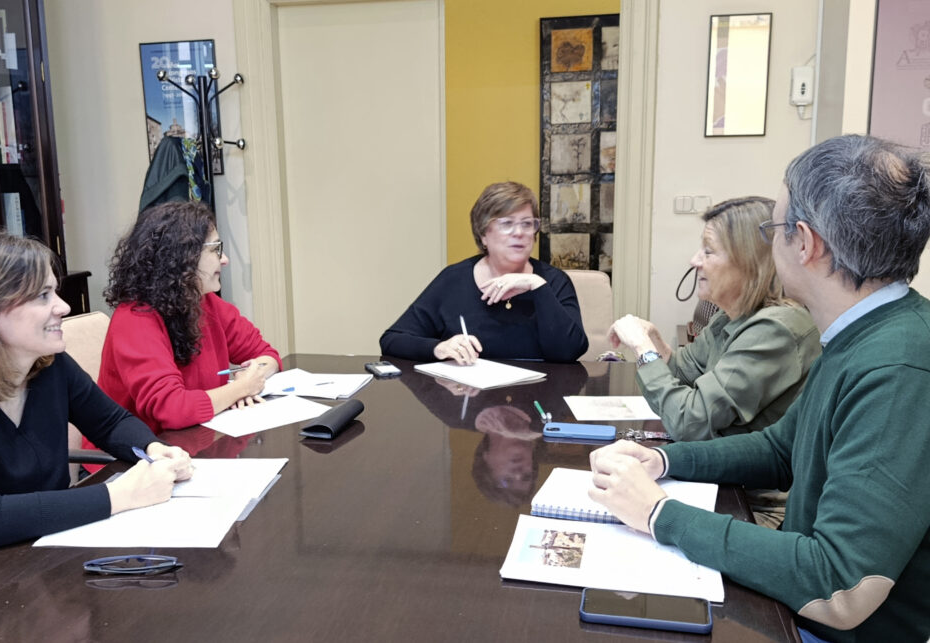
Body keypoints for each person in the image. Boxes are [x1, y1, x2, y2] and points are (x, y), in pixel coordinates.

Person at [587, 135, 930, 642]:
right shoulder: (861, 334)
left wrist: (659, 514)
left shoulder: (897, 367)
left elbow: (839, 586)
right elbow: (780, 448)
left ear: (805, 243)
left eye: (774, 229)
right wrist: (663, 460)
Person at [0, 230, 192, 585]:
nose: (63, 306)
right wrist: (119, 495)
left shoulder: (47, 363)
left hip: (35, 557)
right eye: (43, 296)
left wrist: (154, 449)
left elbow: (111, 422)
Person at [607, 197, 821, 527]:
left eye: (708, 251)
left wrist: (642, 349)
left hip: (753, 505)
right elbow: (683, 373)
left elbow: (687, 420)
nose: (695, 261)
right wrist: (657, 344)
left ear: (749, 262)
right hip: (718, 482)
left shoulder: (776, 329)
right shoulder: (735, 316)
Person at [92, 201, 281, 439]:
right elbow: (171, 409)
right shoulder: (134, 319)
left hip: (192, 441)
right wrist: (240, 388)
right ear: (182, 256)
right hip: (135, 453)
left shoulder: (205, 302)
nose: (225, 259)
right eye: (215, 249)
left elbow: (266, 354)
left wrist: (253, 374)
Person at [379, 181, 588, 363]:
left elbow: (569, 352)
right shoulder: (454, 279)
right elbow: (392, 340)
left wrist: (537, 286)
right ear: (483, 234)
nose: (519, 232)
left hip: (539, 394)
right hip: (470, 394)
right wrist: (438, 348)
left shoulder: (554, 281)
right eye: (507, 224)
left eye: (527, 224)